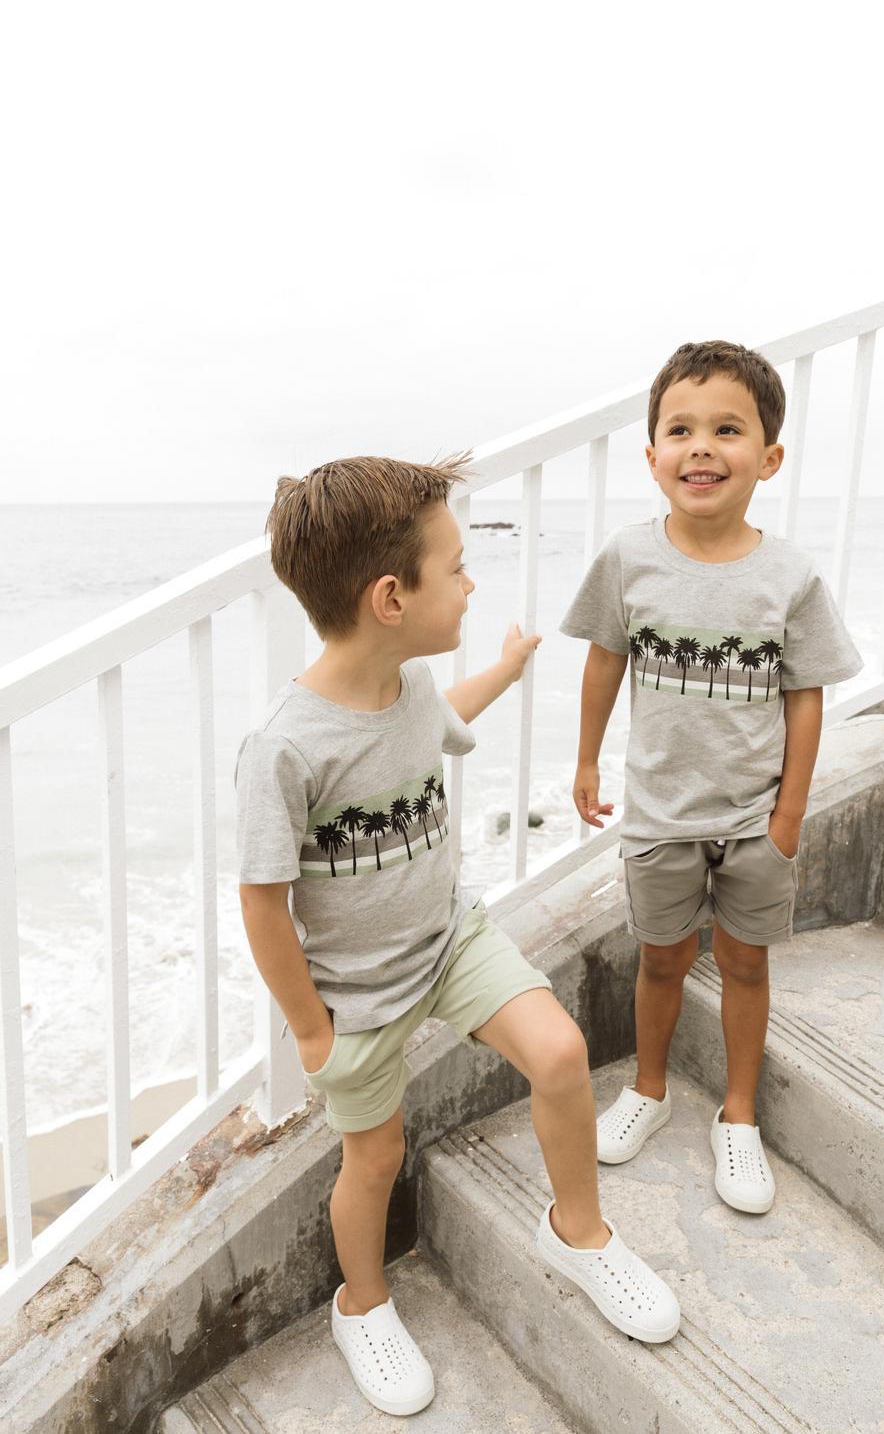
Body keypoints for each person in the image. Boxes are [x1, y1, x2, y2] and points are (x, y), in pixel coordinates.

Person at [236, 455, 681, 1418]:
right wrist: (310, 1031)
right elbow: (262, 902)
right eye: (457, 567)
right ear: (391, 598)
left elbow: (439, 721)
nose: (471, 584)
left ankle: (578, 1231)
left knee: (558, 1053)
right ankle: (362, 1305)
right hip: (355, 996)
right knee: (375, 1158)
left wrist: (507, 672)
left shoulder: (406, 684)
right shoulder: (284, 746)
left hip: (448, 943)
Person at [560, 341, 862, 1214]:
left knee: (744, 965)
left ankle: (738, 1115)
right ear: (651, 455)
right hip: (659, 815)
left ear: (768, 457)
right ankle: (648, 1090)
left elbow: (805, 696)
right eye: (680, 430)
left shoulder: (790, 574)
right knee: (659, 961)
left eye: (727, 430)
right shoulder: (628, 558)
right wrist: (585, 760)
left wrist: (787, 817)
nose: (700, 446)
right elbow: (602, 661)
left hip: (753, 820)